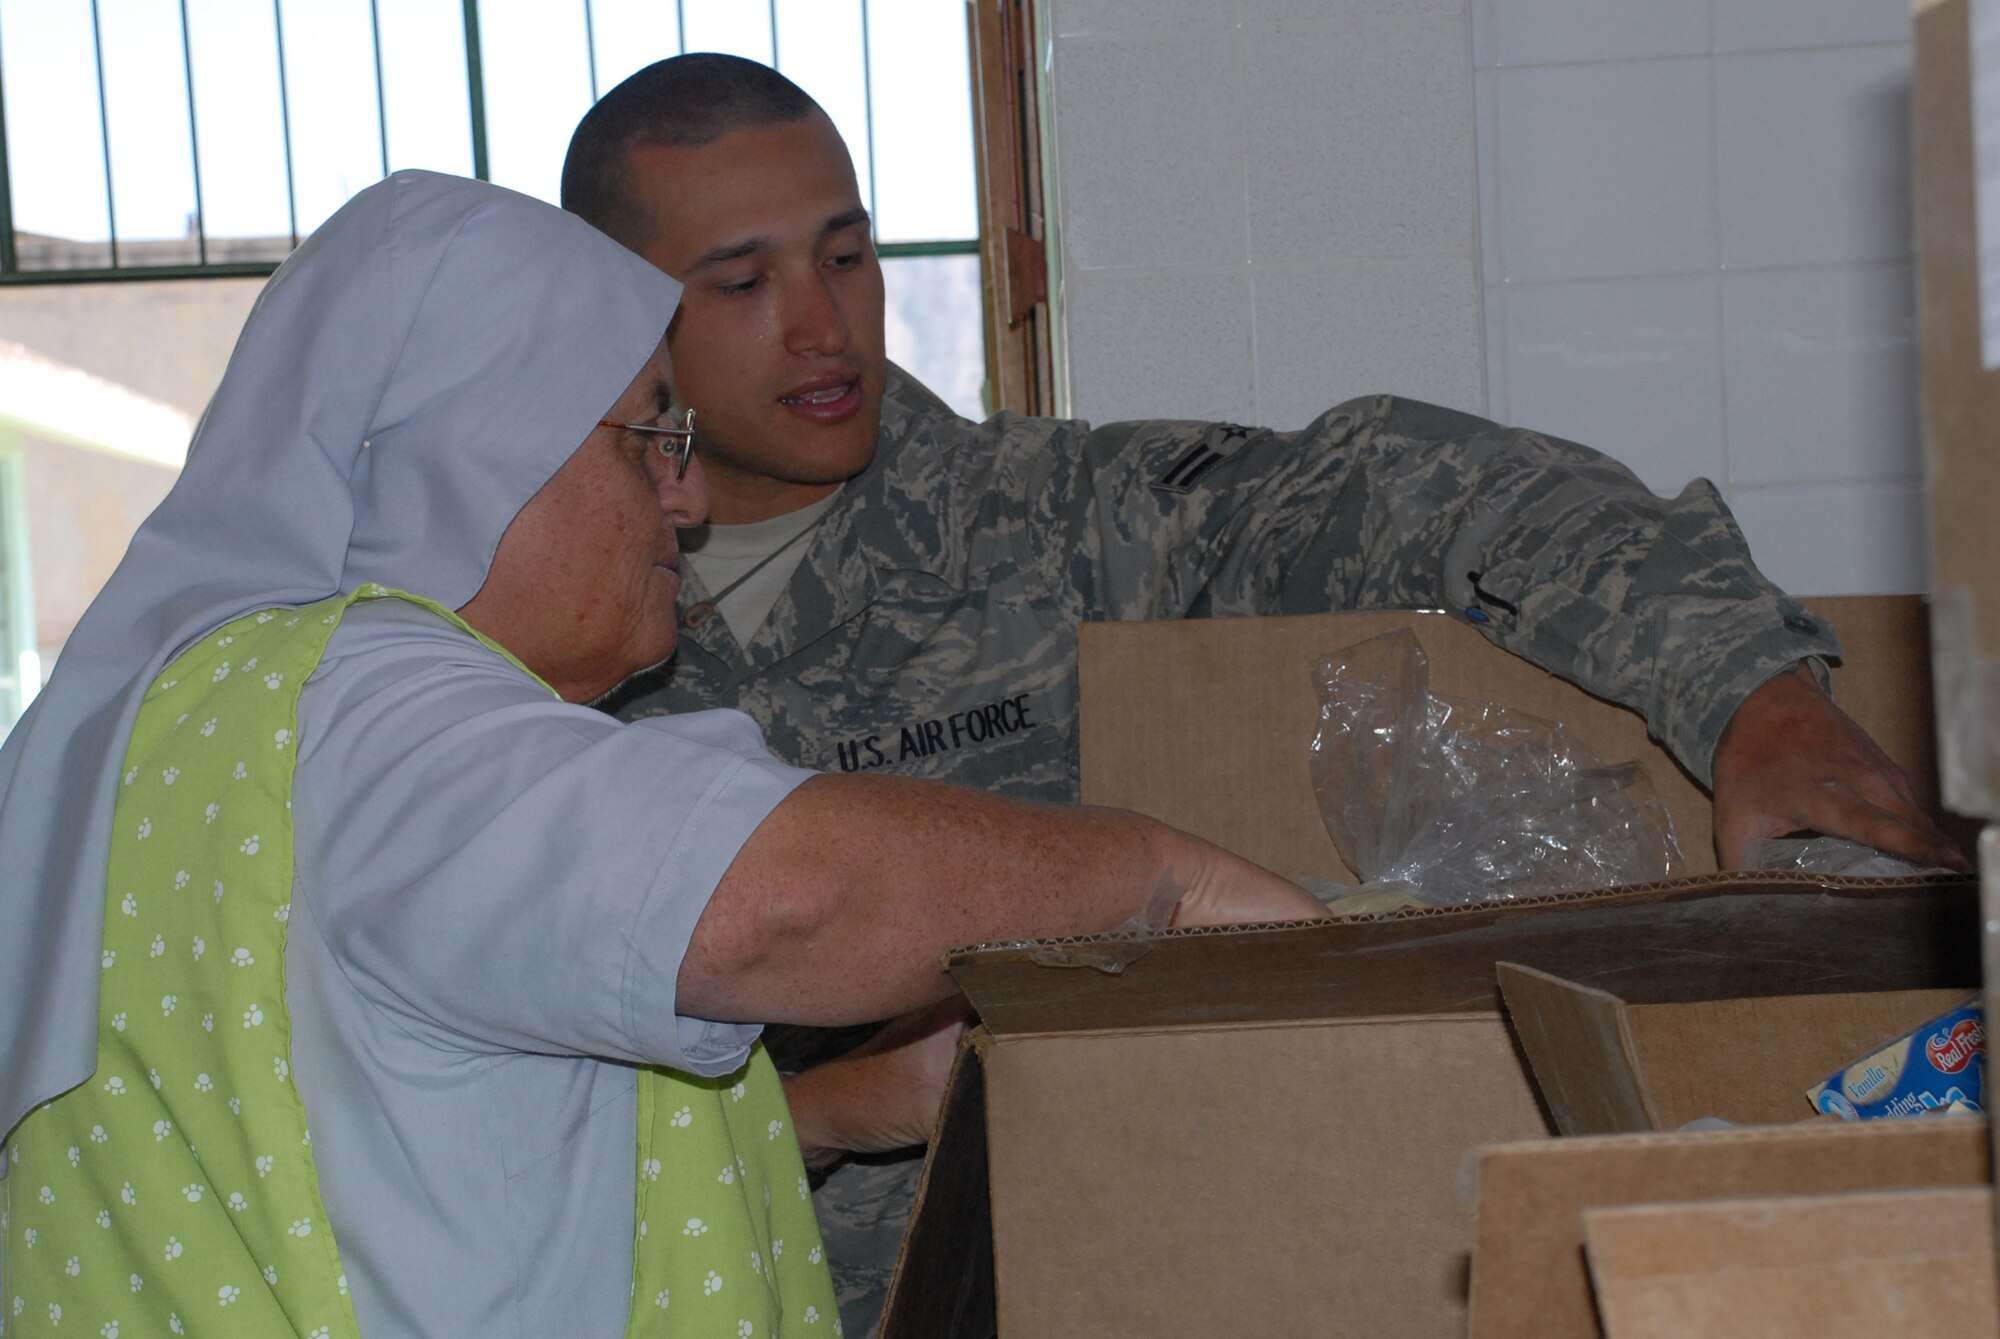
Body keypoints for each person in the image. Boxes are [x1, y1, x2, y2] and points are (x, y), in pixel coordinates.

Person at [559, 53, 1969, 1335]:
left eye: (849, 254)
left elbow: (1440, 492)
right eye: (742, 283)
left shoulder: (1043, 526)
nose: (823, 325)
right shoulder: (527, 632)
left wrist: (1757, 699)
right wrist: (817, 1112)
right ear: (614, 311)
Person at [0, 171, 1324, 1338]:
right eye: (649, 435)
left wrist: (837, 1107)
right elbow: (782, 905)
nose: (685, 498)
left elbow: (404, 1137)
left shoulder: (190, 733)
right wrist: (1163, 877)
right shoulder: (371, 713)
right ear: (478, 454)